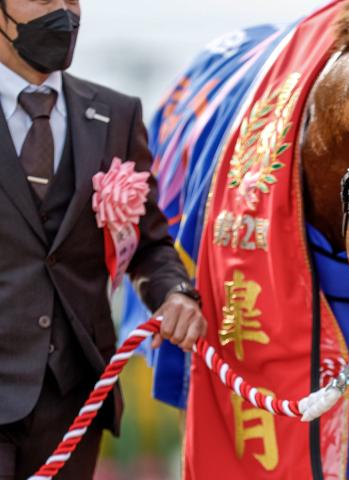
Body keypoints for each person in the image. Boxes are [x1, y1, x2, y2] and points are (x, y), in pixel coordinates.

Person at [0, 1, 207, 478]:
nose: (65, 12)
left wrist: (175, 294)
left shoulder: (116, 115)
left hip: (74, 398)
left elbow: (151, 242)